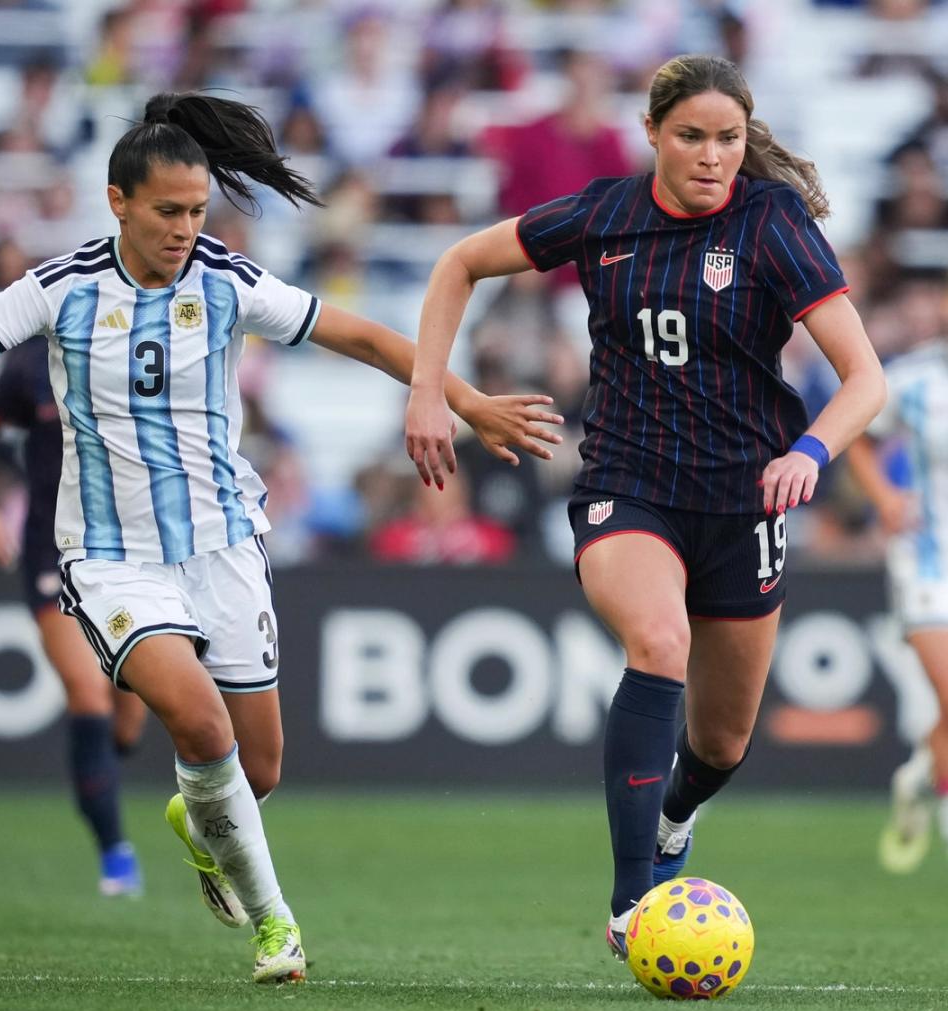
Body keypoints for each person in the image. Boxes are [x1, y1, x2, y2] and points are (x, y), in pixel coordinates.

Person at [0, 90, 562, 984]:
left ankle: (200, 822)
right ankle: (276, 927)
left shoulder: (226, 281)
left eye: (197, 211)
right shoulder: (60, 288)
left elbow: (363, 337)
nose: (184, 229)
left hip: (225, 546)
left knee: (260, 768)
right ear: (118, 200)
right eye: (167, 211)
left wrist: (464, 401)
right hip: (110, 557)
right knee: (202, 728)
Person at [405, 54, 886, 960]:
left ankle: (674, 817)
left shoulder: (771, 222)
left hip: (743, 502)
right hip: (629, 487)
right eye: (692, 136)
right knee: (659, 643)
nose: (712, 156)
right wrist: (430, 391)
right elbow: (459, 263)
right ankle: (634, 904)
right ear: (652, 132)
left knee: (723, 744)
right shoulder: (604, 214)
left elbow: (865, 379)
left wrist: (810, 451)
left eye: (728, 139)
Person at [0, 337, 147, 897]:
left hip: (134, 555)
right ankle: (115, 853)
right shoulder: (33, 362)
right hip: (52, 554)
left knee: (127, 721)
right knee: (88, 692)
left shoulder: (142, 346)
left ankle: (99, 770)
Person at [848, 299, 948, 873]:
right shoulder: (916, 378)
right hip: (928, 562)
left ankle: (920, 775)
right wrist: (885, 497)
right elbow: (857, 430)